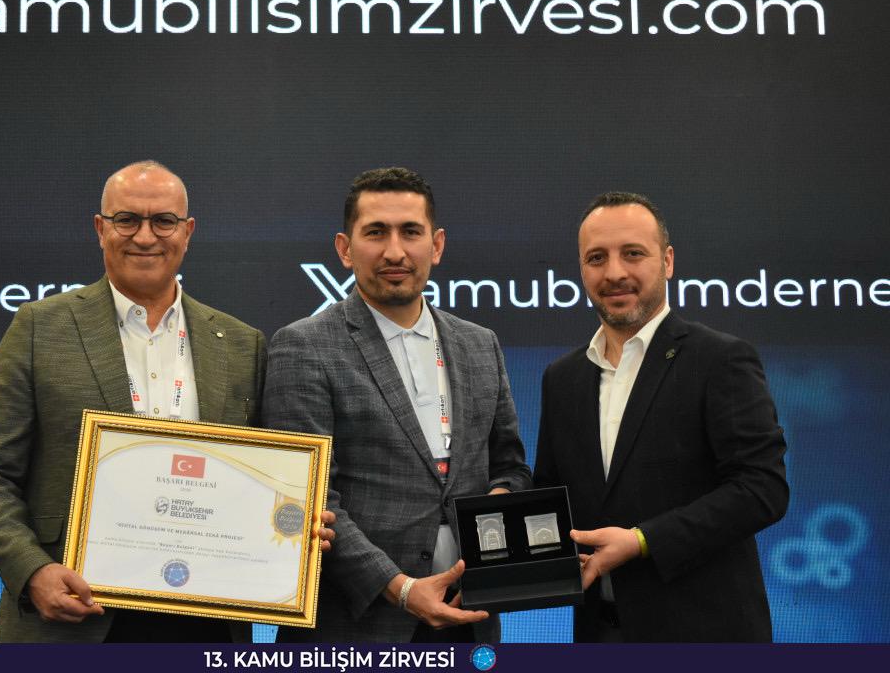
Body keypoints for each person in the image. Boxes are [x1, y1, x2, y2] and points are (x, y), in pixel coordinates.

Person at [0, 161, 332, 642]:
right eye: (127, 220)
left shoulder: (242, 344)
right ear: (100, 229)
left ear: (187, 232)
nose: (144, 236)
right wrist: (32, 571)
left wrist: (298, 521)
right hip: (76, 616)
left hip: (207, 621)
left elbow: (265, 479)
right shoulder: (40, 327)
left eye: (163, 221)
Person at [263, 167, 533, 642]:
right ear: (345, 249)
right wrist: (402, 588)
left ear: (437, 245)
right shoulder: (303, 346)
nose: (394, 251)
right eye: (375, 233)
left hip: (471, 619)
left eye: (411, 232)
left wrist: (495, 508)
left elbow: (509, 466)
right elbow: (310, 498)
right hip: (358, 627)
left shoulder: (480, 344)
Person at [533, 191, 788, 642]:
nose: (615, 272)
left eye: (633, 253)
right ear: (582, 269)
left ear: (667, 261)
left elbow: (762, 489)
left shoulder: (720, 359)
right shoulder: (562, 378)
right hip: (599, 636)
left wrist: (641, 540)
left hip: (705, 637)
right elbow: (551, 497)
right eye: (597, 258)